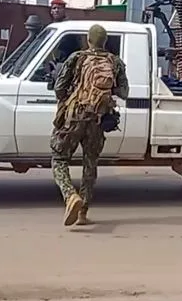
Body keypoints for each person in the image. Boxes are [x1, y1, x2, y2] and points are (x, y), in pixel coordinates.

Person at [51, 25, 128, 227]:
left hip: (75, 115)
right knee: (90, 163)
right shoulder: (115, 61)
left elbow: (59, 88)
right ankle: (83, 212)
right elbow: (124, 92)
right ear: (105, 41)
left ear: (88, 40)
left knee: (59, 158)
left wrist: (70, 96)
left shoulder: (77, 58)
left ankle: (70, 196)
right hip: (99, 118)